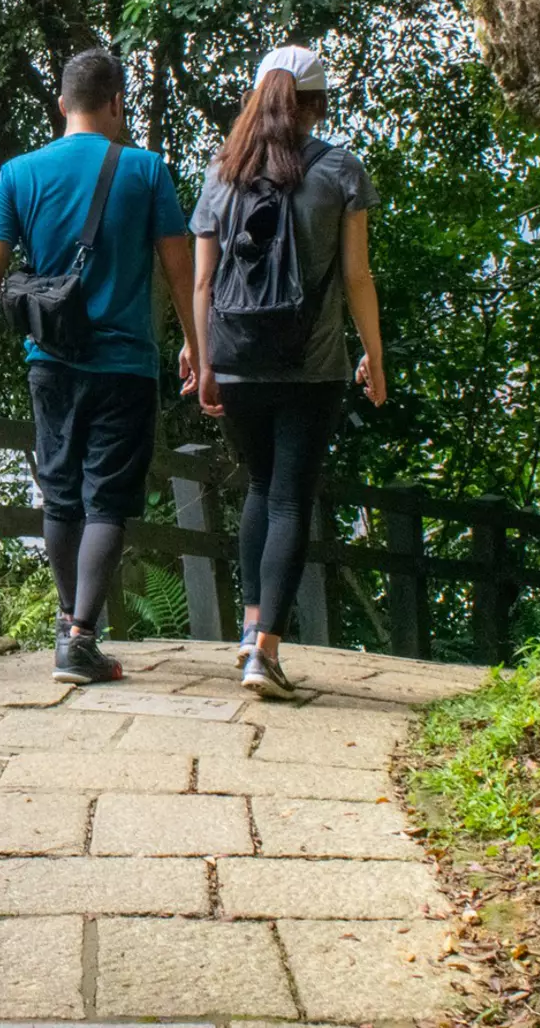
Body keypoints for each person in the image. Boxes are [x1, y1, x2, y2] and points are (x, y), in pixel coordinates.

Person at [0, 46, 199, 685]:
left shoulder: (18, 175)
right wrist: (197, 343)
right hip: (124, 366)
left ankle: (69, 624)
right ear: (117, 103)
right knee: (108, 498)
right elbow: (179, 270)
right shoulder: (146, 171)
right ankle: (82, 637)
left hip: (50, 363)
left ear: (62, 106)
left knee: (60, 493)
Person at [189, 45, 385, 700]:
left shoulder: (221, 173)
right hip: (312, 363)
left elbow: (201, 283)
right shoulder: (339, 171)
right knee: (288, 497)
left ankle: (250, 635)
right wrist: (374, 356)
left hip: (237, 358)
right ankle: (265, 649)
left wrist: (203, 358)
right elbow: (356, 275)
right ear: (315, 103)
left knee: (259, 488)